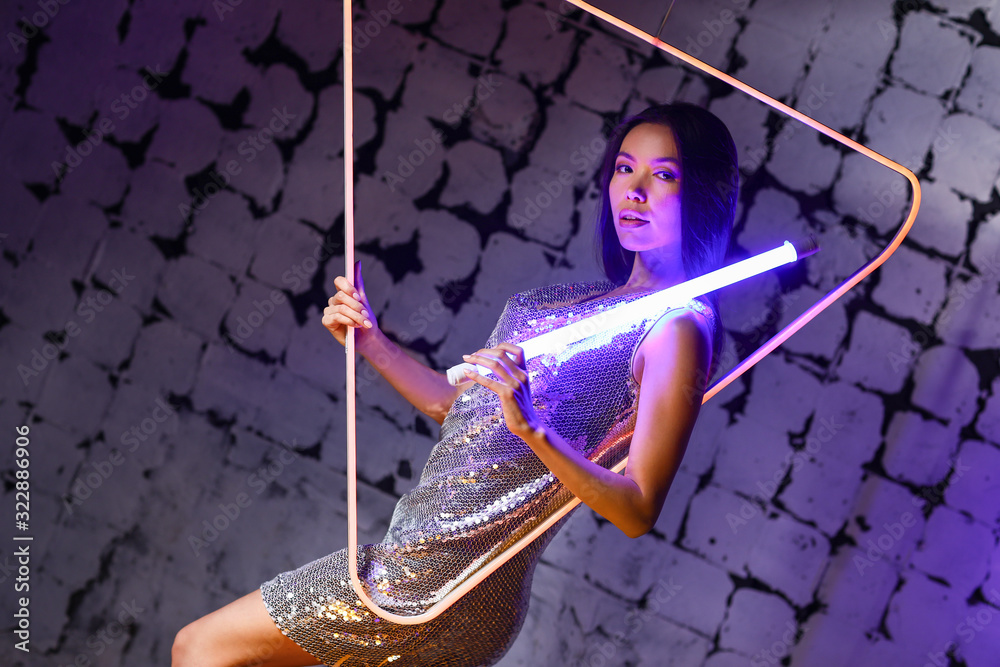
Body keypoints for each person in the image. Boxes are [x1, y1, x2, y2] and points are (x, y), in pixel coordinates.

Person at [171, 102, 738, 667]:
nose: (634, 190)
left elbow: (638, 508)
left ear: (704, 194)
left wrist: (534, 428)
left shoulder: (678, 328)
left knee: (201, 650)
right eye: (623, 167)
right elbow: (462, 413)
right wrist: (373, 343)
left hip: (444, 583)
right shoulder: (580, 303)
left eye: (664, 175)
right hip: (416, 558)